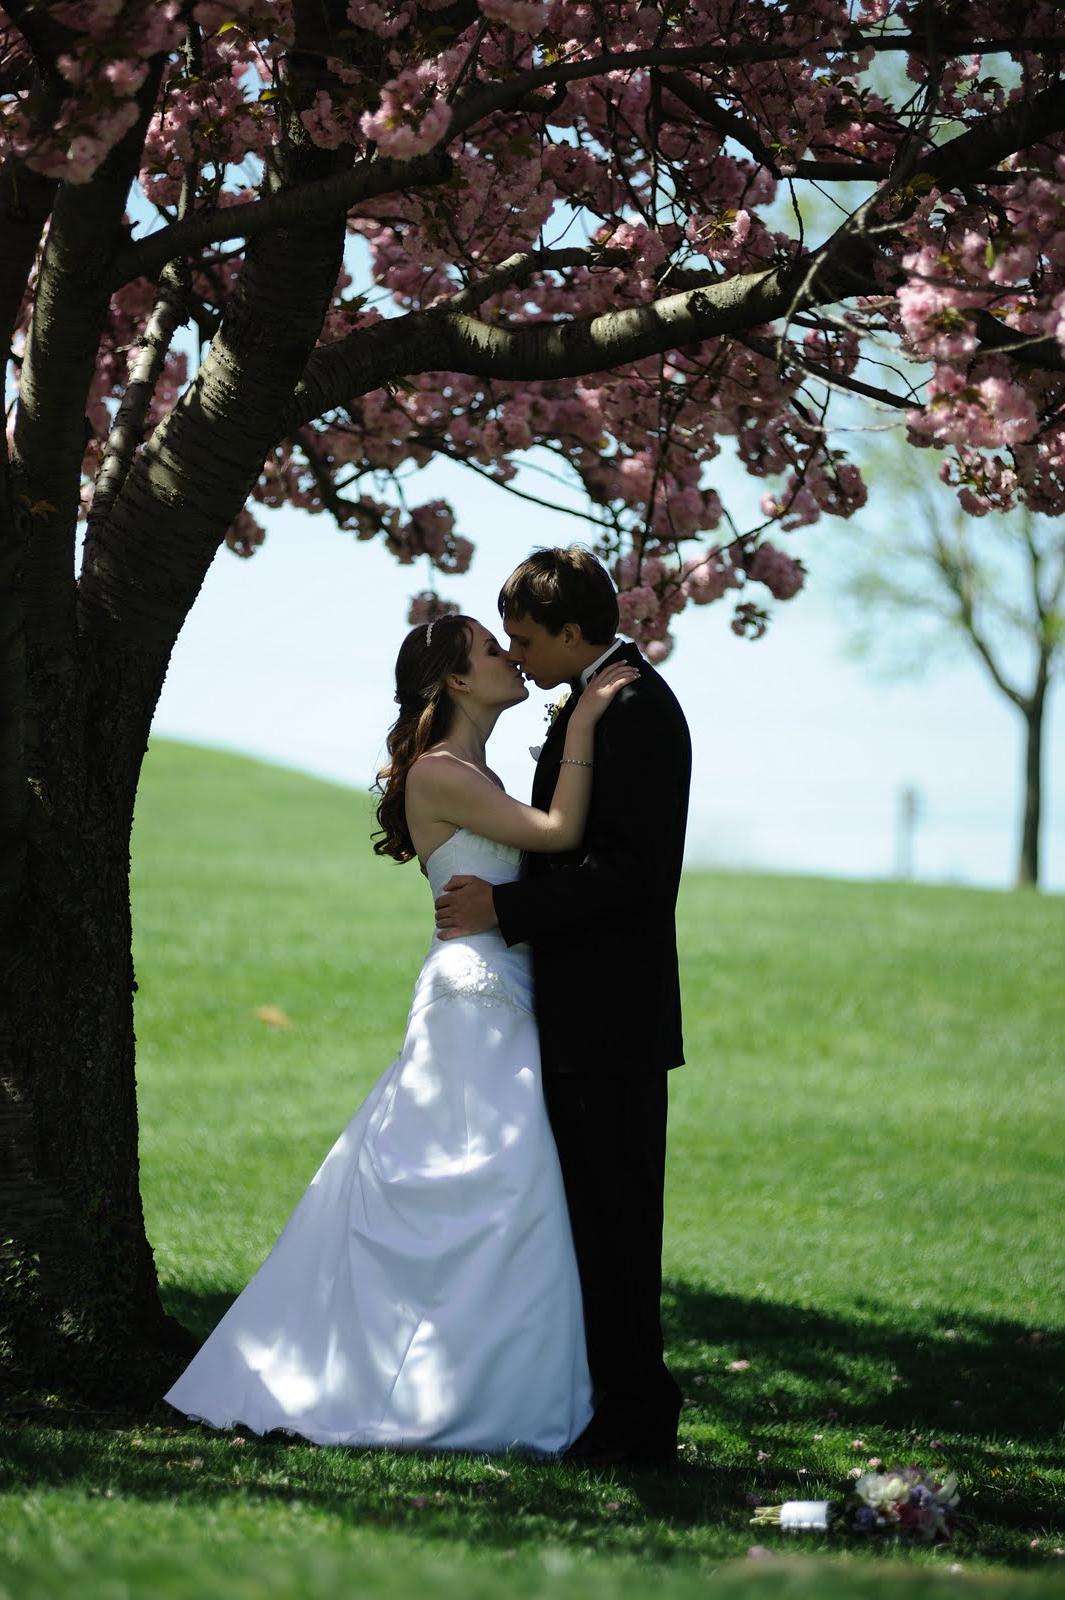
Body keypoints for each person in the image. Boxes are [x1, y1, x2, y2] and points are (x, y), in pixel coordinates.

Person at [163, 612, 636, 1454]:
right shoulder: (440, 773)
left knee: (500, 1190)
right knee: (478, 1182)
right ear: (456, 679)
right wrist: (588, 720)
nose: (511, 658)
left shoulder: (477, 769)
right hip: (473, 997)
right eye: (495, 650)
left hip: (510, 987)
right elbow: (558, 835)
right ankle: (429, 1383)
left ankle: (484, 1377)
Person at [435, 548, 692, 1469]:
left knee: (617, 1225)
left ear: (574, 633)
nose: (517, 651)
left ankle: (635, 1421)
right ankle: (601, 1406)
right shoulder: (601, 696)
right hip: (577, 1012)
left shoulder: (632, 708)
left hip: (610, 1019)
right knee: (583, 1221)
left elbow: (630, 871)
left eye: (527, 637)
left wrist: (506, 909)